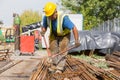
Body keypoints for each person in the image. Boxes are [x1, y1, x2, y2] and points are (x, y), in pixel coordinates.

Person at [41, 2, 80, 73]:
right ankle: (54, 65)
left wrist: (77, 40)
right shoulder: (46, 17)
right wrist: (43, 31)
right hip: (54, 34)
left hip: (64, 35)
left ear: (55, 11)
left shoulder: (63, 18)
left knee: (62, 50)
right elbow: (44, 27)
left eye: (51, 15)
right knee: (53, 49)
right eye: (49, 16)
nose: (50, 17)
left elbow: (74, 28)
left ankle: (59, 68)